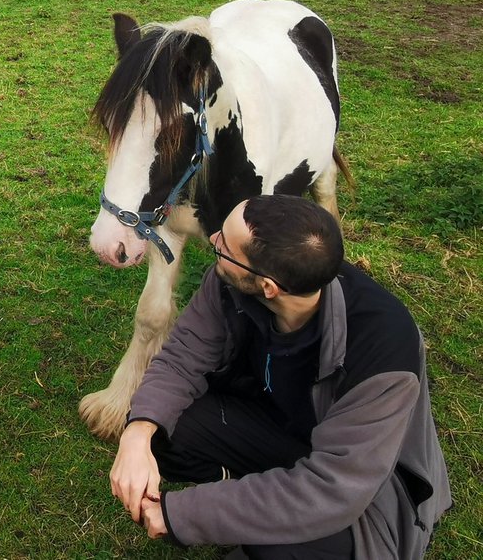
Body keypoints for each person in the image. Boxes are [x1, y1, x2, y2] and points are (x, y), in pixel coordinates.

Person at [109, 194, 450, 559]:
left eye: (225, 246)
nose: (213, 240)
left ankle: (260, 516)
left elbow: (333, 489)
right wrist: (138, 432)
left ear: (268, 287)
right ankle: (251, 498)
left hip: (365, 494)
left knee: (273, 540)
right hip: (281, 433)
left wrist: (182, 514)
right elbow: (182, 358)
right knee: (166, 424)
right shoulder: (233, 280)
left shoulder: (383, 350)